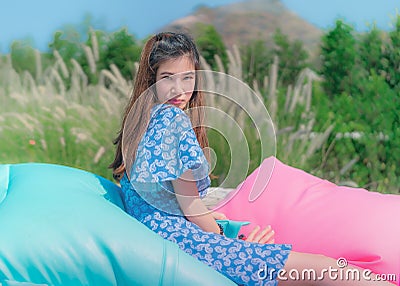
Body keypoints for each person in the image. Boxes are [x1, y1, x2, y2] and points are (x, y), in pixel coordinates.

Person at [109, 32, 392, 285]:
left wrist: (212, 220)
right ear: (152, 80)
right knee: (326, 270)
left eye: (187, 77)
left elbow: (165, 201)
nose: (179, 89)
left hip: (164, 240)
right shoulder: (172, 118)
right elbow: (192, 206)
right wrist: (229, 237)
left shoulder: (138, 125)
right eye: (167, 78)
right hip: (189, 246)